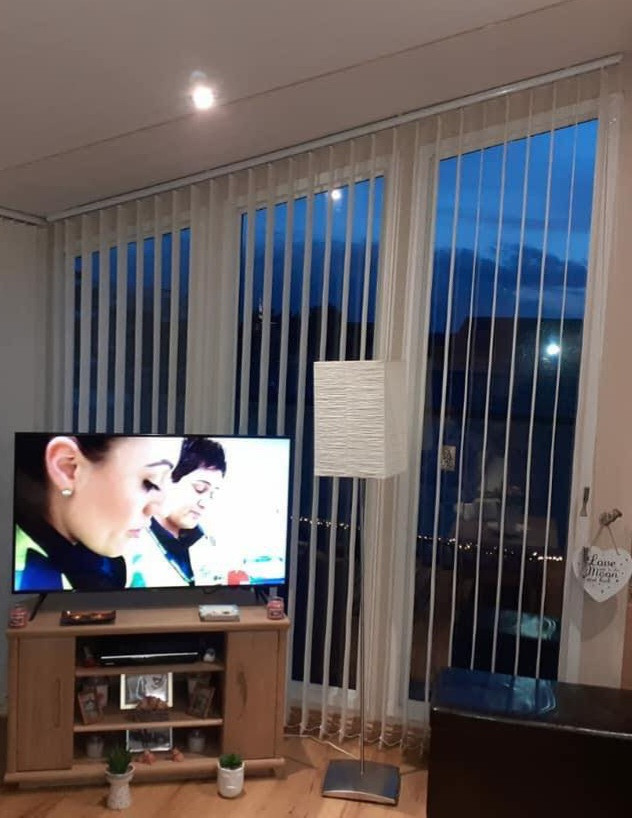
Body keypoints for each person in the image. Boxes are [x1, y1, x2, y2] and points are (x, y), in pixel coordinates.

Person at [14, 434, 182, 591]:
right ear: (68, 468)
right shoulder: (27, 585)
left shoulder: (126, 555)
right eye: (150, 481)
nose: (163, 510)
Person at [126, 437, 230, 587]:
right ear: (165, 479)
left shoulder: (208, 544)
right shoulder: (129, 545)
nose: (205, 503)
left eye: (212, 494)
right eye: (200, 489)